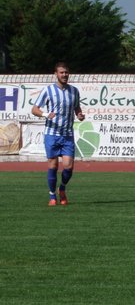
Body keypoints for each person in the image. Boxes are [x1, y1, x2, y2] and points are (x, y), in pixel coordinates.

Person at [31, 62, 85, 206]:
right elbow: (34, 109)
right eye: (61, 72)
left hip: (67, 135)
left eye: (66, 72)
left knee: (68, 166)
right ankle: (52, 196)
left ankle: (62, 188)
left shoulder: (74, 91)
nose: (64, 75)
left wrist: (79, 114)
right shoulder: (48, 90)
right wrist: (45, 114)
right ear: (56, 74)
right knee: (53, 165)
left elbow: (77, 107)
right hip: (52, 134)